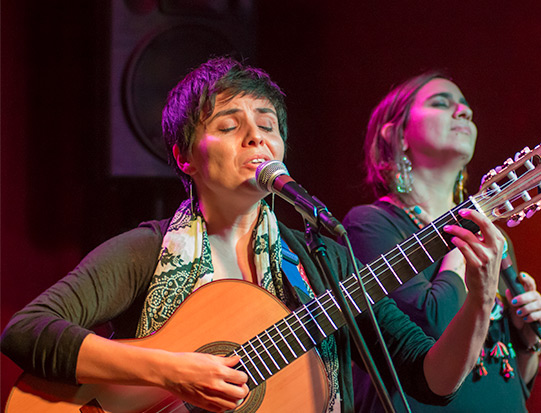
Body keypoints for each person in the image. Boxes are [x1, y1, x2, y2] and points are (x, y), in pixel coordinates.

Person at [2, 58, 505, 413]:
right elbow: (26, 331)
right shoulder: (148, 251)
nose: (256, 137)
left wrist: (480, 301)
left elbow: (429, 379)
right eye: (228, 124)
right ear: (185, 157)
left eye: (268, 125)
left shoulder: (322, 259)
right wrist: (172, 372)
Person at [342, 71, 541, 412]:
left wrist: (527, 340)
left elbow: (517, 382)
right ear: (397, 134)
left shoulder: (496, 239)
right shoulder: (370, 224)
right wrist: (460, 241)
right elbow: (431, 326)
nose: (463, 112)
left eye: (466, 107)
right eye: (441, 103)